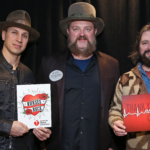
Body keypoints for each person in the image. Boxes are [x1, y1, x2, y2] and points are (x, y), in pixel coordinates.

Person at [36, 2, 119, 150]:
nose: (82, 34)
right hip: (59, 145)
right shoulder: (49, 63)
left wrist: (112, 144)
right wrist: (36, 127)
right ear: (68, 31)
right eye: (76, 29)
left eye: (87, 29)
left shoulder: (112, 65)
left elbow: (116, 105)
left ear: (95, 31)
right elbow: (36, 100)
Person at [0, 10, 51, 150]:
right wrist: (7, 127)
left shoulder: (29, 74)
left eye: (24, 35)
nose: (19, 39)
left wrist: (39, 130)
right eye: (14, 32)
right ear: (4, 34)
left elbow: (32, 116)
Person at [109, 24, 150, 150]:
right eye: (145, 42)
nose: (149, 47)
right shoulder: (125, 79)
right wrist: (116, 122)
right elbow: (115, 110)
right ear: (138, 47)